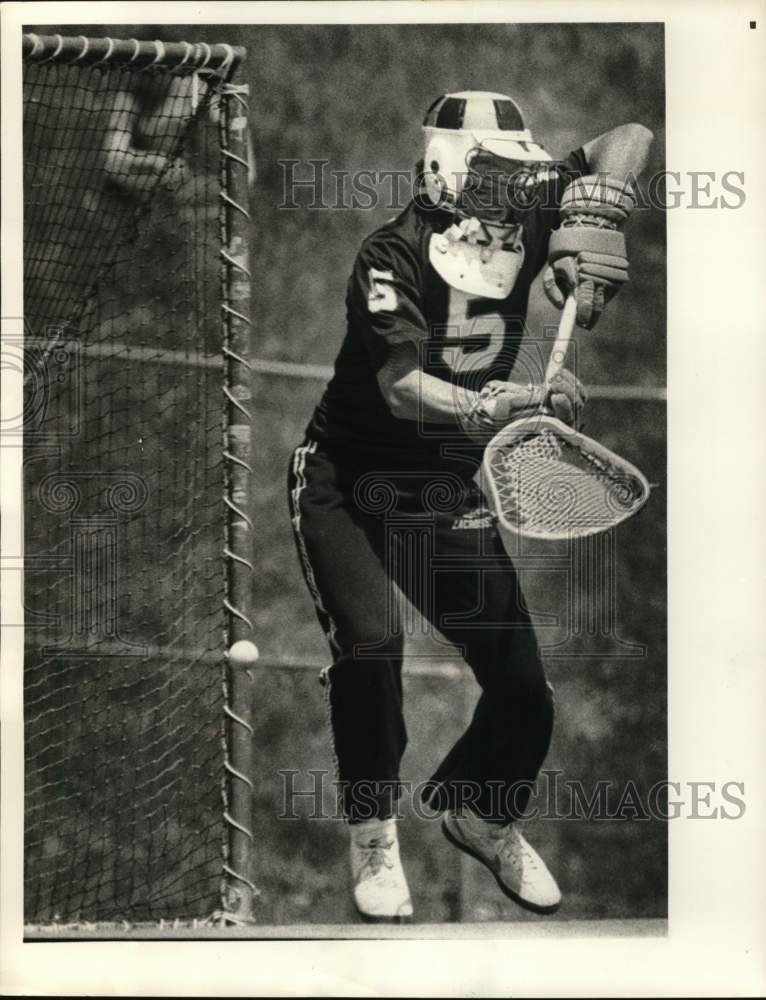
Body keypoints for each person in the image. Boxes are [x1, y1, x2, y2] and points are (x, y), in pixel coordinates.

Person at [287, 91, 652, 923]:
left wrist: (590, 239)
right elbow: (405, 390)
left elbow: (627, 141)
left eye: (520, 175)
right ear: (449, 169)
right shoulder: (388, 257)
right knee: (372, 650)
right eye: (496, 172)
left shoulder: (522, 209)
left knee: (525, 690)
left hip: (439, 493)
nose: (517, 189)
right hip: (346, 485)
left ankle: (482, 814)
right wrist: (507, 404)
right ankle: (373, 829)